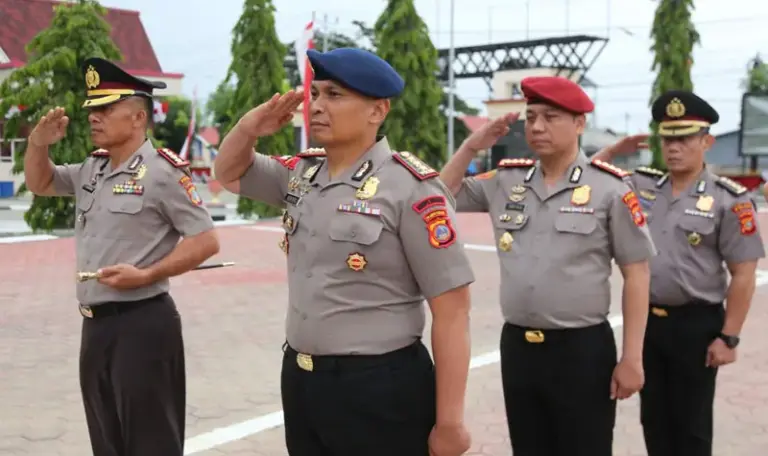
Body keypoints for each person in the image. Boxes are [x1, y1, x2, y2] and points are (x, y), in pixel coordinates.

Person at [213, 47, 475, 456]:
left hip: (378, 387)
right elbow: (228, 174)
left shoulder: (411, 187)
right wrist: (248, 129)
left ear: (377, 111)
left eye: (334, 95)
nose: (317, 106)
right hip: (302, 380)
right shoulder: (301, 174)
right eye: (315, 94)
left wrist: (450, 421)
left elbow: (453, 309)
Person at [439, 76, 657, 456]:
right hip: (519, 348)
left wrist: (632, 358)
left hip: (582, 349)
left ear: (579, 123)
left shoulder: (610, 189)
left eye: (550, 117)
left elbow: (637, 274)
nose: (536, 127)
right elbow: (439, 196)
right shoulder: (507, 180)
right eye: (531, 117)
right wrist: (471, 145)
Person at [23, 57, 220, 456]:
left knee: (150, 443)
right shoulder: (90, 170)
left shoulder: (163, 172)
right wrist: (37, 144)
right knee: (107, 441)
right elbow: (40, 181)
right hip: (96, 328)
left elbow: (205, 240)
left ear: (137, 118)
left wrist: (146, 275)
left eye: (106, 109)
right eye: (93, 109)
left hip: (143, 323)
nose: (94, 117)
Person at [594, 90, 766, 456]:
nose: (673, 147)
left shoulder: (729, 199)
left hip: (696, 326)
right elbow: (586, 180)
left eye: (684, 138)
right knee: (653, 421)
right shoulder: (642, 187)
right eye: (668, 138)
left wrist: (729, 337)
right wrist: (615, 149)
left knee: (690, 426)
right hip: (648, 325)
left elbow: (744, 273)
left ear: (707, 142)